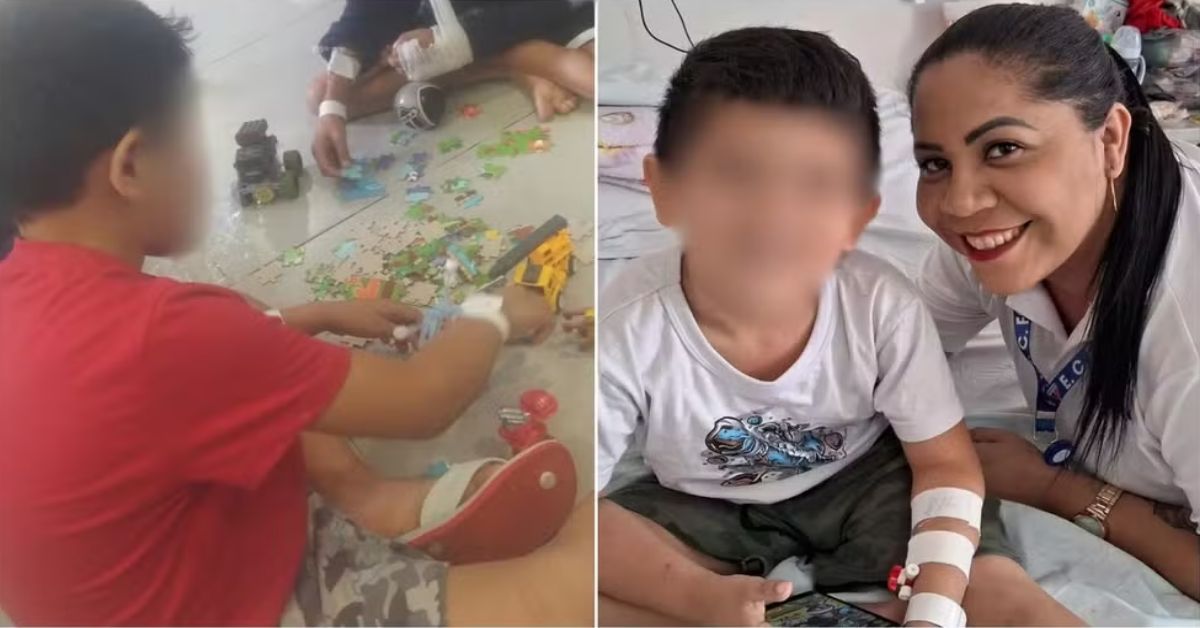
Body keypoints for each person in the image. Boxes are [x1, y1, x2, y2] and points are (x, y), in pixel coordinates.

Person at [0, 1, 593, 625]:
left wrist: (313, 315)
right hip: (237, 605)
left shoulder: (31, 289)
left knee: (240, 325)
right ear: (132, 165)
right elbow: (426, 399)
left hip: (147, 567)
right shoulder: (162, 335)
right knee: (570, 581)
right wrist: (493, 310)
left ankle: (366, 499)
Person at [595, 27, 1082, 627]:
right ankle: (709, 598)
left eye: (817, 185)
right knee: (591, 553)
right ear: (665, 191)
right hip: (700, 498)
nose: (774, 218)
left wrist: (934, 605)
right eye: (734, 175)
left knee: (997, 587)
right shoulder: (627, 327)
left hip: (867, 479)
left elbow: (945, 463)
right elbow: (581, 506)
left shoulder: (881, 304)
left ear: (857, 217)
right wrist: (693, 595)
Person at [909, 3, 1200, 602]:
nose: (959, 203)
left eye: (1003, 148)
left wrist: (1057, 489)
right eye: (935, 163)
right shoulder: (984, 243)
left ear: (1111, 139)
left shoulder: (1186, 327)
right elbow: (887, 363)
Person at [310, 0, 595, 177]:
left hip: (545, 11)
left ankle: (518, 56)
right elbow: (365, 15)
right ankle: (512, 61)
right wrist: (332, 107)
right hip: (456, 17)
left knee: (592, 78)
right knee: (322, 95)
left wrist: (459, 40)